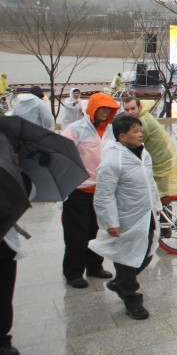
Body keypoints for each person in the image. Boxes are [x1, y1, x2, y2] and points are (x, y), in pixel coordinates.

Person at [88, 115, 160, 320]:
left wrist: (156, 205)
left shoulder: (143, 153)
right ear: (122, 136)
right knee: (127, 257)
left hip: (146, 214)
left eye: (140, 130)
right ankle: (131, 298)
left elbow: (150, 182)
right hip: (126, 218)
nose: (140, 134)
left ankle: (121, 282)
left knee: (146, 253)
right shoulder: (113, 160)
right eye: (135, 131)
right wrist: (110, 222)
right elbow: (103, 195)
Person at [60, 92, 119, 288]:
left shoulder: (111, 131)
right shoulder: (75, 130)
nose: (105, 112)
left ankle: (94, 266)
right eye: (102, 108)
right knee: (76, 234)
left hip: (102, 192)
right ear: (93, 108)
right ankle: (73, 272)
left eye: (109, 109)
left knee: (96, 232)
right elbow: (64, 156)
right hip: (78, 191)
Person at [0, 139, 30, 355]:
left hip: (4, 241)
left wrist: (16, 169)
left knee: (3, 292)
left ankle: (2, 339)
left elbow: (24, 198)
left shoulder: (15, 174)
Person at [121, 97, 177, 197]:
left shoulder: (142, 123)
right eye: (127, 110)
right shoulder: (143, 116)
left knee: (162, 193)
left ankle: (162, 209)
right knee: (160, 192)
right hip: (164, 155)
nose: (130, 112)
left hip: (162, 160)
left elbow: (132, 145)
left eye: (133, 109)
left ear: (139, 108)